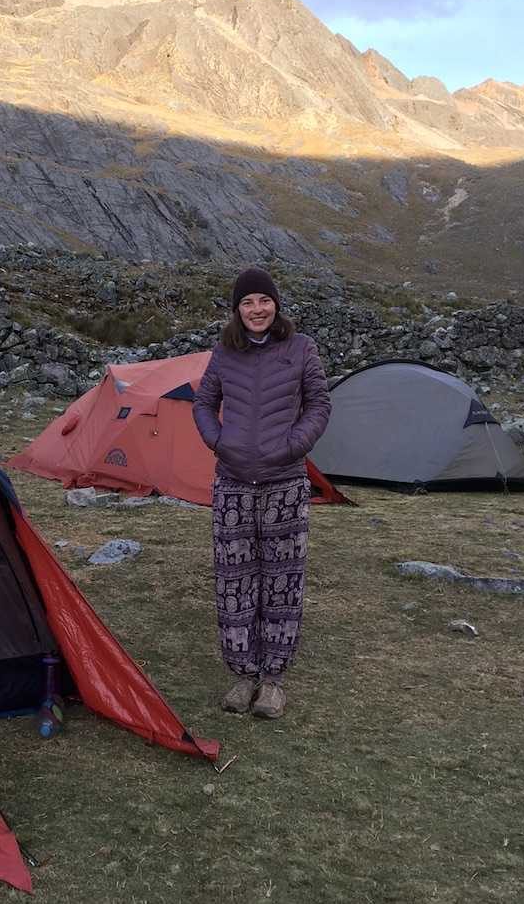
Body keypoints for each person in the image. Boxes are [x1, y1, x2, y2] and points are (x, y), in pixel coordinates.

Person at [191, 267, 331, 719]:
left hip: (285, 483)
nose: (256, 310)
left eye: (264, 301)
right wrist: (218, 441)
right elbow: (202, 402)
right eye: (247, 302)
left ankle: (272, 681)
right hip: (232, 482)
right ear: (237, 309)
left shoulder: (301, 348)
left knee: (283, 581)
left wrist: (293, 446)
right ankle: (242, 674)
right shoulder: (224, 353)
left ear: (276, 305)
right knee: (235, 580)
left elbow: (319, 404)